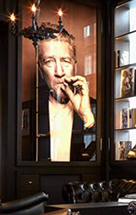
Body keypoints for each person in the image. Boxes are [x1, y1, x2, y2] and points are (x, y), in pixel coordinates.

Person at [37, 24, 95, 162]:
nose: (59, 72)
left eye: (65, 61)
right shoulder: (28, 111)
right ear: (41, 70)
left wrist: (86, 115)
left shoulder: (94, 110)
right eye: (50, 61)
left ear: (75, 66)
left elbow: (101, 153)